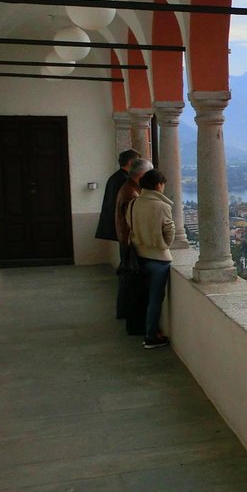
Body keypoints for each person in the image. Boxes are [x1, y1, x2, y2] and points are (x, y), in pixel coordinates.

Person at [129, 168, 175, 349]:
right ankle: (150, 336)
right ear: (158, 185)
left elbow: (129, 224)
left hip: (138, 255)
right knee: (155, 299)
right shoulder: (162, 206)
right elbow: (169, 233)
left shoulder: (133, 203)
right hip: (158, 258)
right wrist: (164, 243)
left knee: (141, 295)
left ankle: (139, 328)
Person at [116, 158, 153, 334]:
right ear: (141, 175)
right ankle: (136, 326)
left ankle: (129, 319)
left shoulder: (128, 188)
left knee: (130, 286)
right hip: (132, 245)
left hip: (126, 242)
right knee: (136, 290)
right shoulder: (132, 194)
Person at [95, 149, 139, 244]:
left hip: (115, 221)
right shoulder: (125, 180)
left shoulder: (115, 177)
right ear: (131, 162)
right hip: (121, 222)